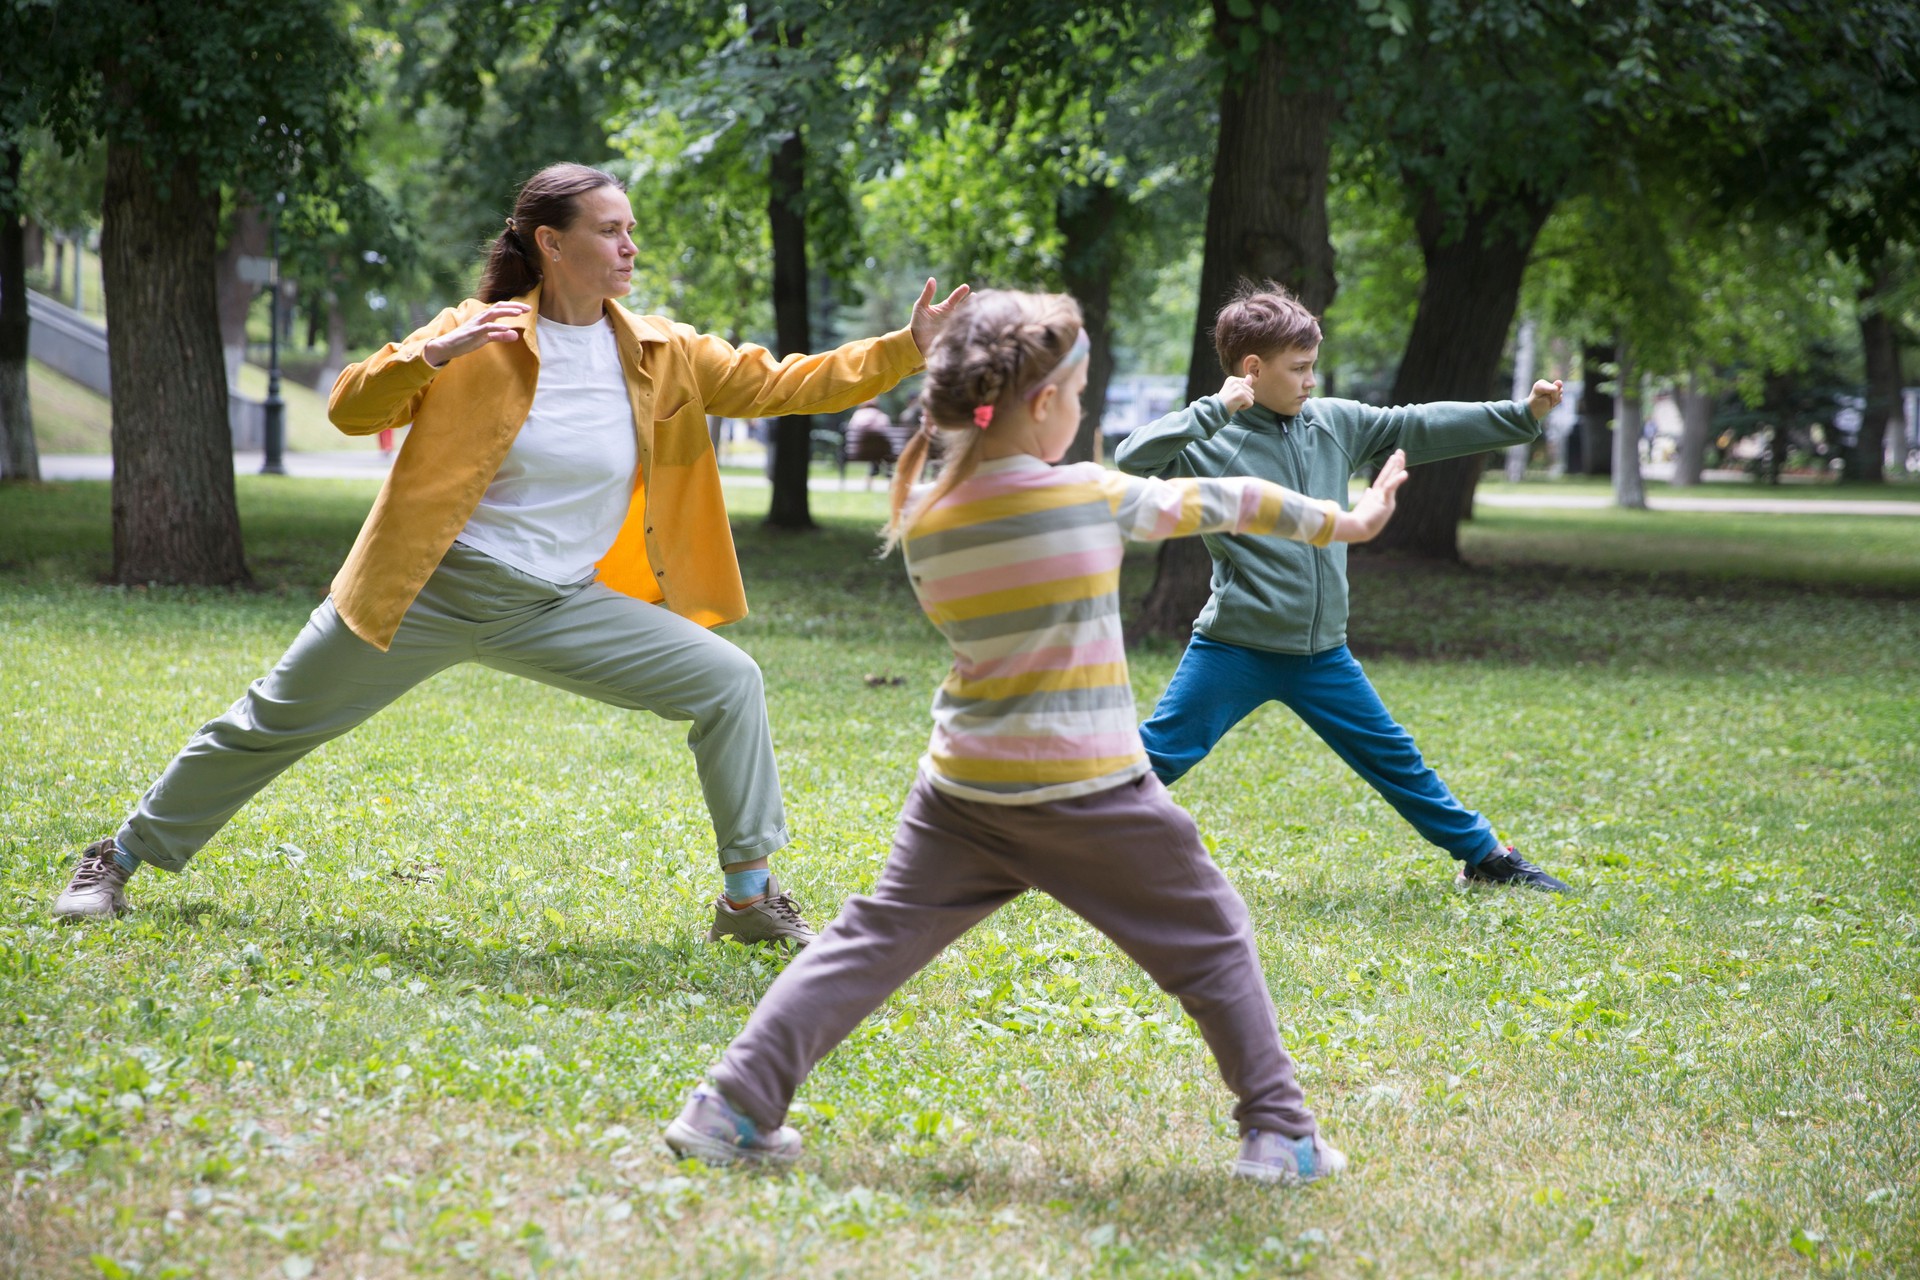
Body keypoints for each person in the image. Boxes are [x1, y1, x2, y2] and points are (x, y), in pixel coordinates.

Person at [52, 162, 969, 944]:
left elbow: (783, 384)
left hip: (559, 604)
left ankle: (746, 898)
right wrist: (427, 359)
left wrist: (902, 350)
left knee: (728, 682)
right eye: (609, 231)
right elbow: (348, 408)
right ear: (549, 243)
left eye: (631, 232)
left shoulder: (661, 351)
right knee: (269, 721)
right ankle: (118, 858)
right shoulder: (476, 334)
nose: (628, 249)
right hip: (426, 589)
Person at [663, 289, 1412, 1182]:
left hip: (963, 792)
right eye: (1083, 392)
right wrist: (1351, 521)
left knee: (867, 942)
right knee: (1212, 937)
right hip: (1089, 789)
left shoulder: (927, 513)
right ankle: (1281, 1133)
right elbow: (1228, 497)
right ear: (1046, 403)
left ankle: (730, 1105)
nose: (1086, 408)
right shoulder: (1085, 496)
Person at [1114, 282, 1571, 892]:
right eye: (1299, 368)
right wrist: (1214, 409)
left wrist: (1521, 415)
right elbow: (1132, 459)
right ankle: (1050, 842)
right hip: (1235, 647)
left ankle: (1486, 859)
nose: (1310, 380)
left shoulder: (1332, 423)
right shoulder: (1208, 441)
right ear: (1253, 369)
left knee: (1395, 759)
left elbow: (1422, 424)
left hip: (1323, 655)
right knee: (1159, 755)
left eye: (1313, 367)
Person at [843, 398, 897, 489]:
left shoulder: (857, 415)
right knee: (878, 450)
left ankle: (872, 475)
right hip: (882, 453)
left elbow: (851, 429)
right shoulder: (881, 416)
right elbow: (887, 431)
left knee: (874, 452)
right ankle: (888, 475)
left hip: (859, 452)